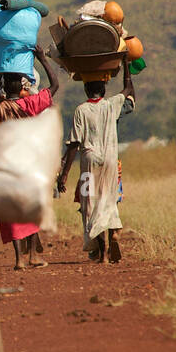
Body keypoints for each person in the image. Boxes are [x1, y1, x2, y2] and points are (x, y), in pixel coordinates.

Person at [56, 61, 135, 263]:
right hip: (110, 159)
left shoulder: (81, 110)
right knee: (109, 199)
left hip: (89, 161)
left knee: (90, 203)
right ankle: (114, 233)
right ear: (104, 89)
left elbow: (74, 144)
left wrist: (63, 175)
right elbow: (128, 89)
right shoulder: (111, 105)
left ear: (85, 89)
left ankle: (103, 252)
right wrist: (126, 65)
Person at [0, 45, 62, 270]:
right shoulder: (30, 103)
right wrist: (42, 58)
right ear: (24, 86)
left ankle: (18, 259)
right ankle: (33, 255)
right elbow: (55, 85)